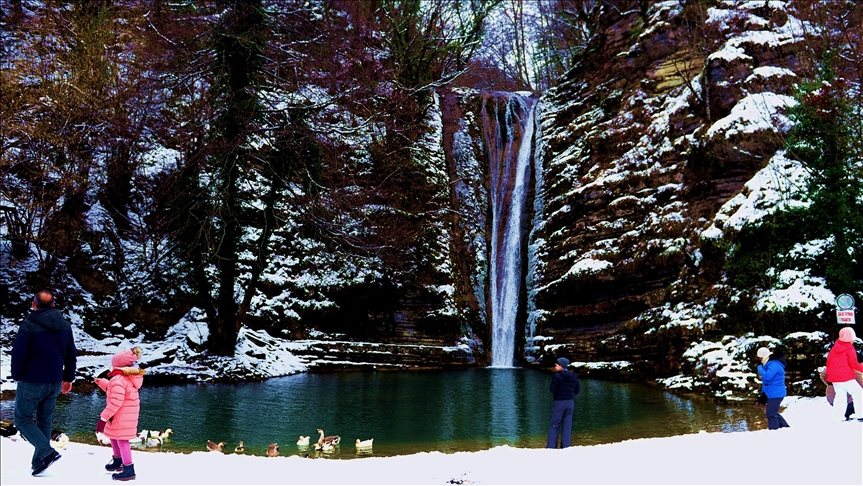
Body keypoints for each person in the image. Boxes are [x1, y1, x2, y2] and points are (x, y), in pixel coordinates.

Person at [11, 290, 77, 476]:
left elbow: (19, 353)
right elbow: (71, 354)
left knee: (22, 420)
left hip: (32, 381)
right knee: (44, 419)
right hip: (54, 381)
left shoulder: (29, 324)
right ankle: (39, 462)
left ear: (34, 305)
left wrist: (17, 375)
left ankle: (47, 452)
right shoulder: (65, 325)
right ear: (53, 305)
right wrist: (68, 378)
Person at [94, 348, 146, 481]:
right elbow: (114, 389)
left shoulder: (118, 379)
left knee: (122, 440)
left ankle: (128, 469)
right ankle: (118, 461)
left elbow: (115, 401)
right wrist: (102, 382)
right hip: (125, 415)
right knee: (113, 436)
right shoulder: (126, 377)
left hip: (120, 415)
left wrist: (103, 418)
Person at [825, 327, 863, 422]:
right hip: (845, 376)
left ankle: (838, 417)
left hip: (834, 377)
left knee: (840, 396)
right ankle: (861, 414)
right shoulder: (849, 349)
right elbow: (854, 364)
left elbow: (828, 362)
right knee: (858, 393)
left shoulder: (835, 347)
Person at [546, 357, 580, 448]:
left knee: (555, 425)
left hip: (559, 402)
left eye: (556, 365)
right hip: (570, 403)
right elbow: (577, 391)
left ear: (561, 366)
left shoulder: (557, 376)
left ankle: (551, 447)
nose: (555, 367)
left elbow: (553, 390)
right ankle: (566, 447)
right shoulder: (574, 376)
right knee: (567, 426)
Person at [755, 347, 789, 430]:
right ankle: (786, 428)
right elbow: (766, 383)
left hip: (776, 393)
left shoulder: (773, 364)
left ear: (764, 357)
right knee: (773, 413)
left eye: (760, 358)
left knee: (771, 414)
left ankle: (774, 432)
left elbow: (768, 376)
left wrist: (760, 368)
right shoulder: (769, 364)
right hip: (773, 393)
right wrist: (763, 395)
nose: (760, 360)